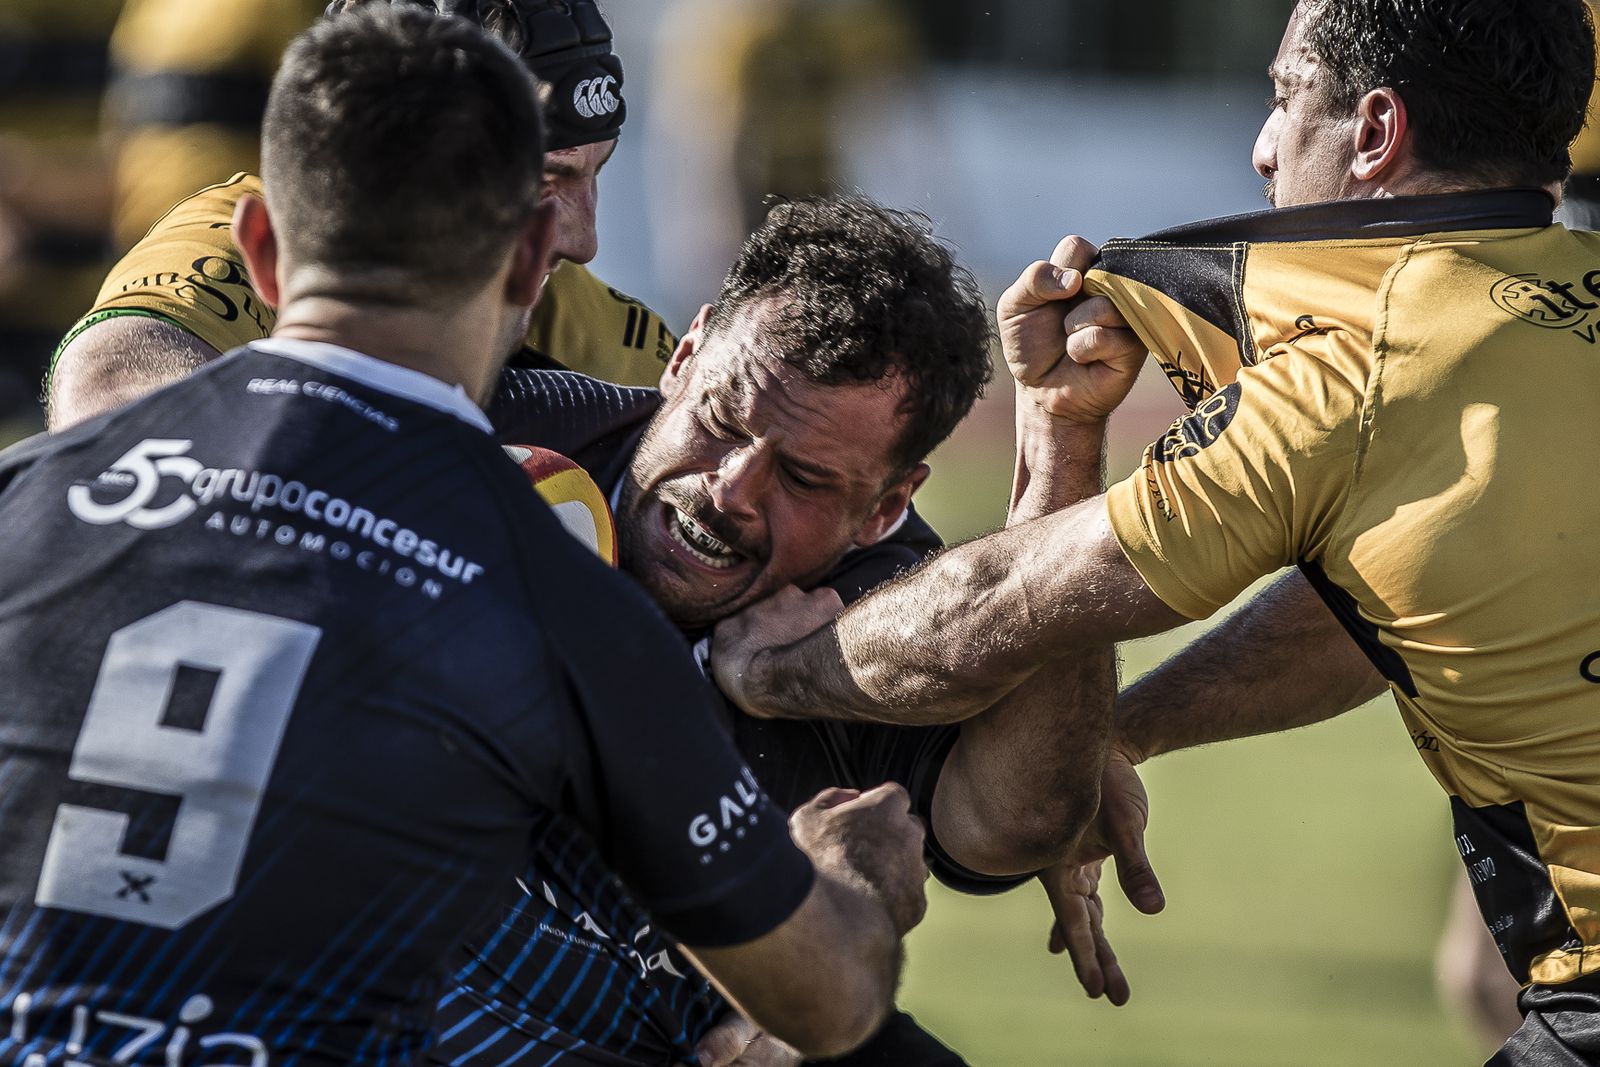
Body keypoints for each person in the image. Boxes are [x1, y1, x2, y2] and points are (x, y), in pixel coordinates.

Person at [0, 7, 929, 1063]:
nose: (584, 232)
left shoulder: (25, 498)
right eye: (557, 189)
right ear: (533, 261)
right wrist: (853, 873)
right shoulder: (555, 602)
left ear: (264, 249)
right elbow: (825, 999)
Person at [712, 2, 1600, 1062]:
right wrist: (1122, 731)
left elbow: (994, 609)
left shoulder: (1361, 369)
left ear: (1373, 133)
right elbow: (1385, 608)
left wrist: (764, 665)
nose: (1263, 148)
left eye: (1284, 98)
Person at [440, 194, 1104, 1067]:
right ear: (685, 356)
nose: (730, 490)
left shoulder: (899, 604)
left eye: (802, 478)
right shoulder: (499, 426)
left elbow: (1020, 821)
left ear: (885, 508)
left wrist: (1061, 439)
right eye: (720, 422)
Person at [47, 0, 673, 432]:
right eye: (544, 182)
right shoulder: (256, 229)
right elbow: (111, 399)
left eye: (595, 173)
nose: (584, 241)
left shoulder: (595, 322)